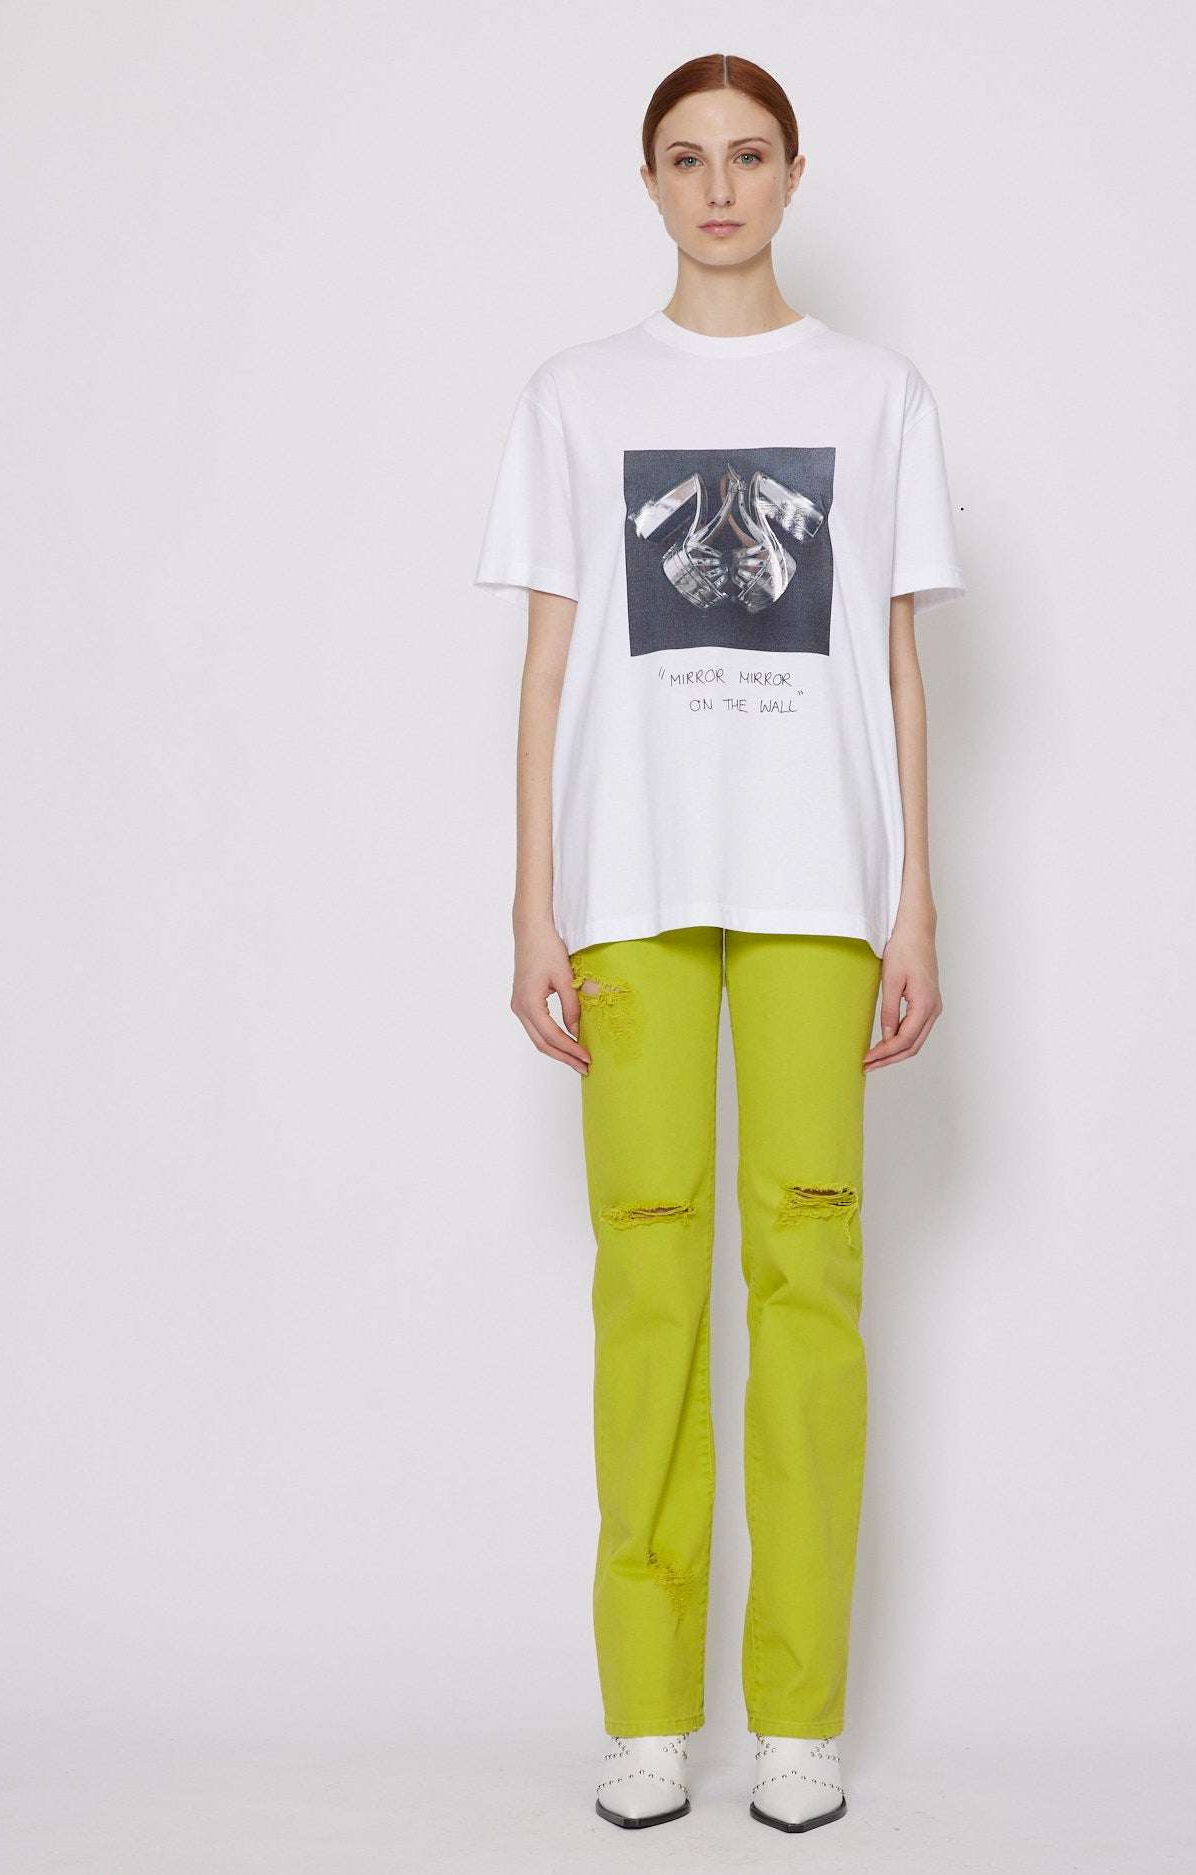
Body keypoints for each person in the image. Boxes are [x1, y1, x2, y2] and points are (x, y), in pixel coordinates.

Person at [473, 51, 966, 1834]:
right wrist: (532, 900)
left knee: (809, 1279)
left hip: (823, 886)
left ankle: (800, 1716)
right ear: (650, 182)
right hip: (629, 887)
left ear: (793, 174)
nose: (720, 189)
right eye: (686, 160)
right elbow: (548, 665)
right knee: (650, 1281)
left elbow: (894, 661)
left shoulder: (876, 392)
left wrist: (918, 897)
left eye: (749, 157)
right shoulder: (576, 396)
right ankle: (646, 1715)